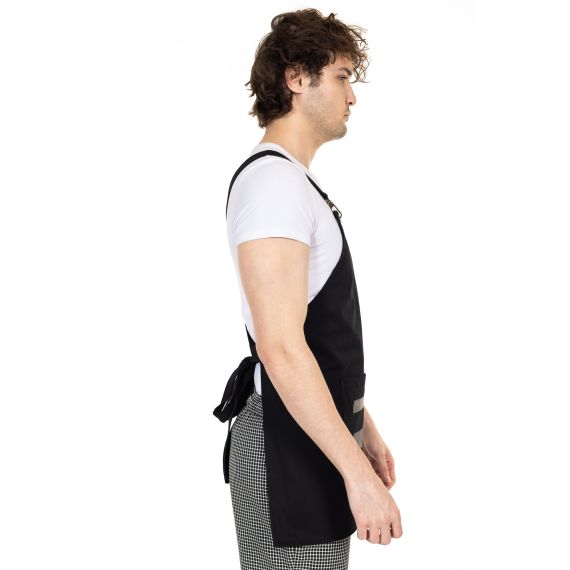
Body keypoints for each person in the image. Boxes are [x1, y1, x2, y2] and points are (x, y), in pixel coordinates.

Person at [213, 8, 403, 569]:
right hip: (285, 446)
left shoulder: (291, 182)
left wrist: (362, 426)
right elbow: (279, 345)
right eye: (342, 76)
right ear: (297, 78)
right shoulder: (273, 184)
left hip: (306, 438)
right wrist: (356, 474)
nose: (352, 95)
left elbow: (316, 336)